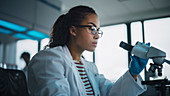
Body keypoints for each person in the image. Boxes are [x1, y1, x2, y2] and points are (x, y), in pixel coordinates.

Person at [28, 5, 149, 96]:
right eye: (92, 29)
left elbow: (110, 93)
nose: (96, 36)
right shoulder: (49, 59)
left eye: (98, 30)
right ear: (73, 31)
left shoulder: (89, 67)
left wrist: (133, 73)